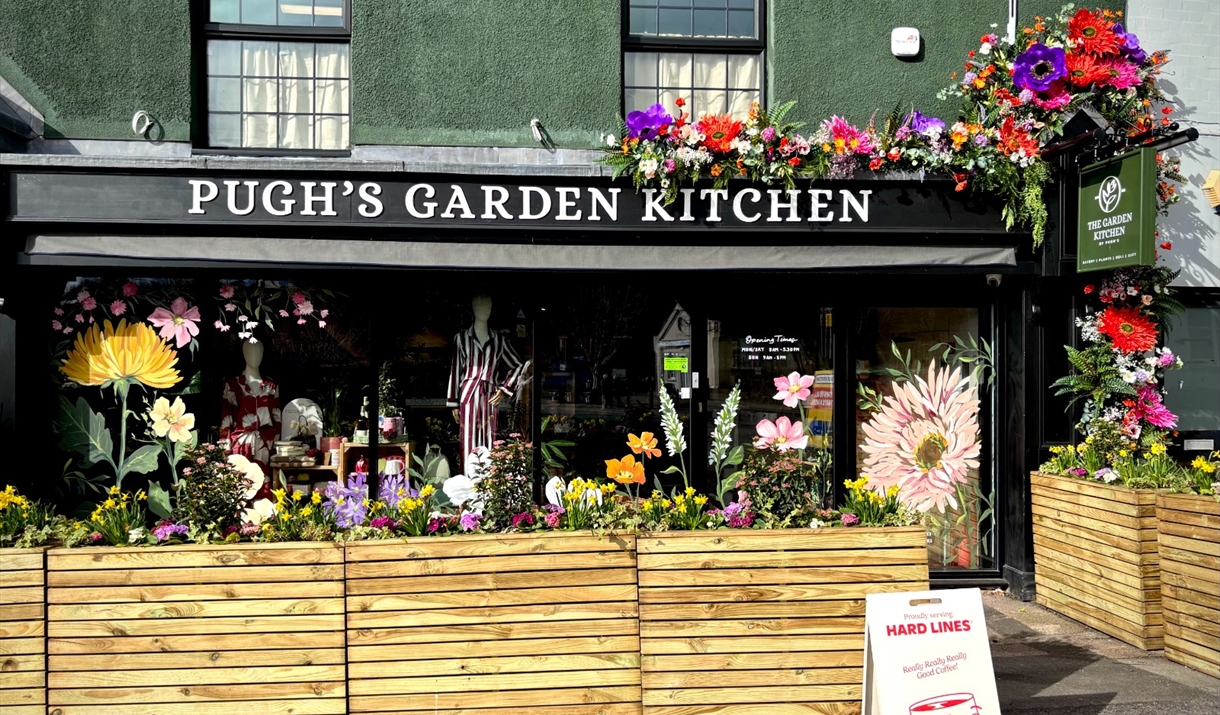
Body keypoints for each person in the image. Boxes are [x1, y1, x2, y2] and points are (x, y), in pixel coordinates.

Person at [446, 295, 526, 474]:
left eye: (488, 307)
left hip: (490, 394)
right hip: (467, 393)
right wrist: (453, 402)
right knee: (468, 438)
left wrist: (504, 389)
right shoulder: (461, 338)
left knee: (490, 437)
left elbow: (517, 365)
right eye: (481, 307)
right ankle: (468, 480)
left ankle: (490, 481)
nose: (486, 311)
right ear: (474, 310)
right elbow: (455, 369)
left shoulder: (499, 340)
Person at [220, 340, 281, 473]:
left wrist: (277, 446)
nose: (254, 355)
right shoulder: (233, 385)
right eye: (250, 351)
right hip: (240, 443)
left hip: (265, 443)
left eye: (258, 351)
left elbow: (277, 418)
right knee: (241, 486)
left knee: (264, 484)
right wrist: (226, 448)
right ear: (243, 353)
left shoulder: (271, 387)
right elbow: (226, 418)